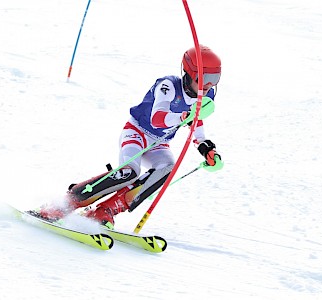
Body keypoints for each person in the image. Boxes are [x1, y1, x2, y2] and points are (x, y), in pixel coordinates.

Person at [38, 45, 224, 229]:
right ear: (191, 73)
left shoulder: (208, 94)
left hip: (160, 143)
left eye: (215, 79)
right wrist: (183, 117)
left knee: (167, 170)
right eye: (205, 78)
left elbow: (197, 121)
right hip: (137, 132)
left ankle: (106, 210)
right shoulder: (168, 86)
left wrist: (206, 148)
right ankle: (65, 203)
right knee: (129, 173)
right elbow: (157, 118)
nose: (209, 85)